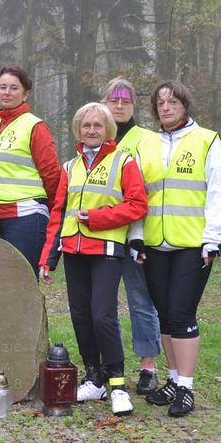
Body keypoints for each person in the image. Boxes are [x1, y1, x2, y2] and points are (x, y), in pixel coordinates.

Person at [130, 80, 221, 417]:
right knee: (165, 314)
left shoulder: (207, 140)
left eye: (173, 102)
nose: (167, 108)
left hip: (193, 244)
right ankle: (172, 380)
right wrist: (137, 236)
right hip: (155, 243)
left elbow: (218, 192)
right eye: (161, 103)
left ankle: (186, 387)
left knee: (181, 311)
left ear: (185, 104)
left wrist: (213, 238)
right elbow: (138, 195)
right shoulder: (146, 144)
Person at [39, 103, 148, 415]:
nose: (91, 130)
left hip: (107, 250)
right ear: (78, 129)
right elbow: (58, 213)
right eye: (86, 125)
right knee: (81, 317)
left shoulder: (123, 161)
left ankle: (117, 385)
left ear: (108, 130)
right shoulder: (69, 167)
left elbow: (138, 205)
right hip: (74, 251)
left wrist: (98, 218)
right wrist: (49, 257)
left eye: (98, 125)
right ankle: (94, 379)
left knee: (103, 316)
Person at [100, 77, 162, 395]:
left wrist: (136, 234)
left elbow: (143, 194)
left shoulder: (146, 140)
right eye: (114, 100)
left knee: (141, 302)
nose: (120, 105)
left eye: (125, 101)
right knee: (103, 306)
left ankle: (148, 368)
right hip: (102, 236)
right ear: (104, 103)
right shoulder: (95, 135)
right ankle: (108, 367)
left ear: (133, 105)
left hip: (134, 236)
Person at [0, 65, 60, 271]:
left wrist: (55, 211)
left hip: (24, 216)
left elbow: (51, 174)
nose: (7, 92)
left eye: (14, 88)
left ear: (25, 94)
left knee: (23, 285)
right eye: (2, 87)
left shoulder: (35, 126)